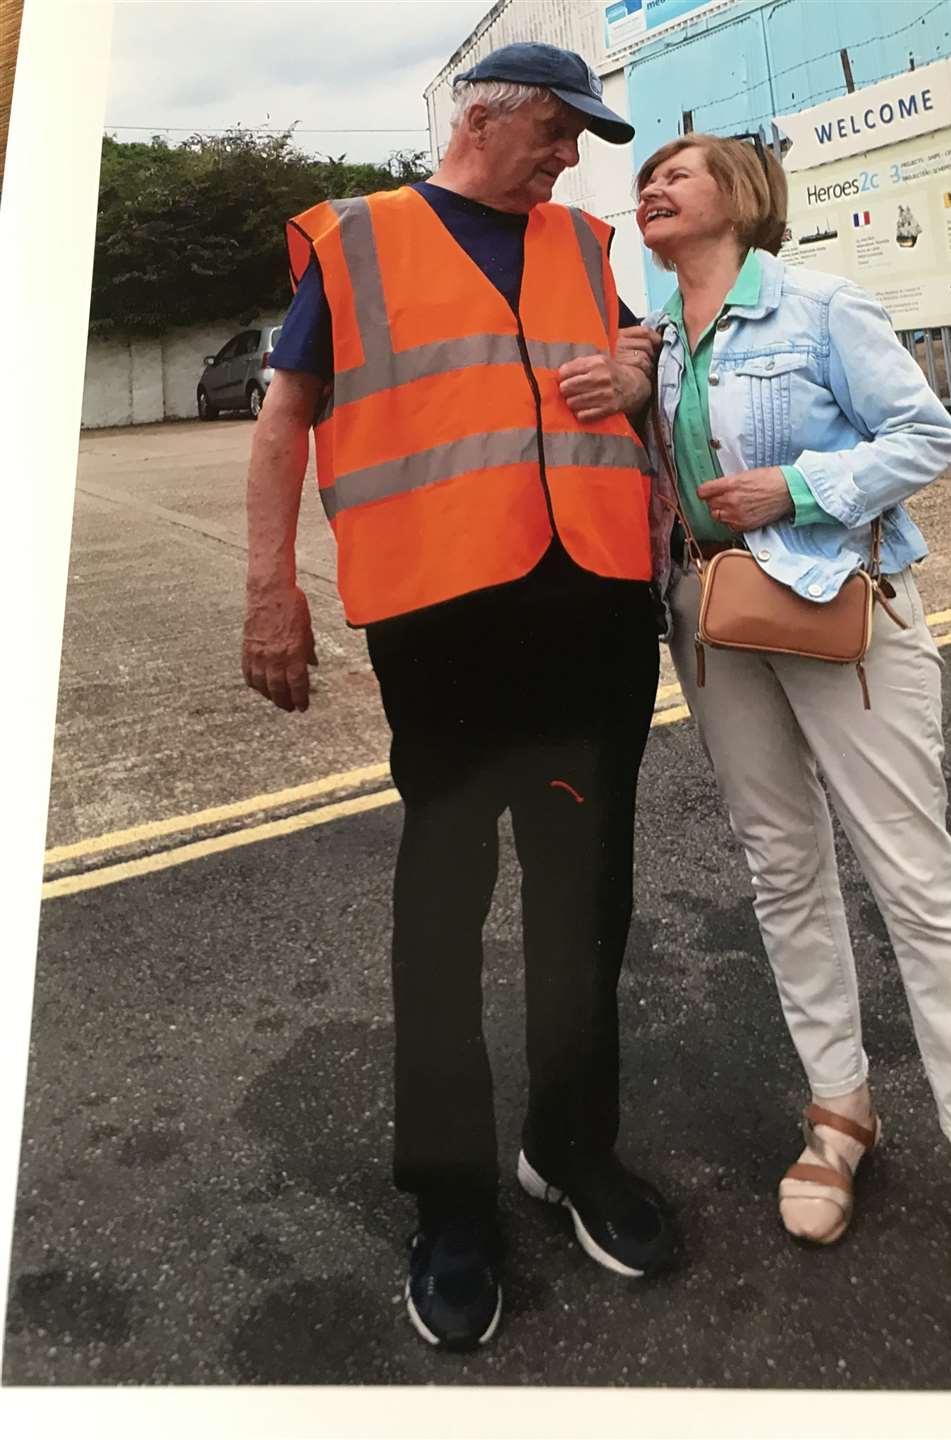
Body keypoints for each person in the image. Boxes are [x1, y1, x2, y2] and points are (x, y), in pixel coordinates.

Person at [241, 42, 672, 1353]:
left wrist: (643, 374)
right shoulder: (360, 242)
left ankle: (569, 1148)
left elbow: (627, 381)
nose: (575, 155)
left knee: (586, 896)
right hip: (446, 625)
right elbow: (283, 418)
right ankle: (450, 1201)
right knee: (443, 910)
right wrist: (270, 590)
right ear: (485, 117)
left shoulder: (582, 247)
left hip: (595, 610)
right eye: (559, 129)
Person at [637, 131, 951, 1336]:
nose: (654, 184)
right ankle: (840, 1110)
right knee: (781, 866)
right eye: (646, 176)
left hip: (838, 608)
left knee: (915, 878)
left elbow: (928, 436)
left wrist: (799, 489)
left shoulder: (819, 305)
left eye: (682, 169)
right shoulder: (655, 336)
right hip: (712, 617)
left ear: (742, 197)